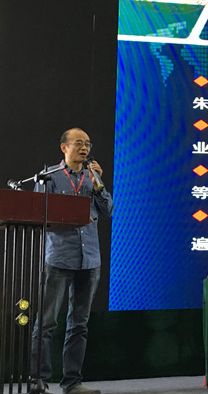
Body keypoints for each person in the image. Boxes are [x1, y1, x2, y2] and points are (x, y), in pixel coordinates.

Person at [31, 128, 113, 394]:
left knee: (79, 324)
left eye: (88, 143)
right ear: (64, 148)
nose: (85, 148)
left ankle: (72, 382)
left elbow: (108, 210)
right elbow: (38, 214)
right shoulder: (50, 177)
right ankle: (38, 381)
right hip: (59, 258)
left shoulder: (92, 177)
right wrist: (71, 217)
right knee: (46, 323)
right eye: (79, 143)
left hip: (89, 260)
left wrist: (99, 183)